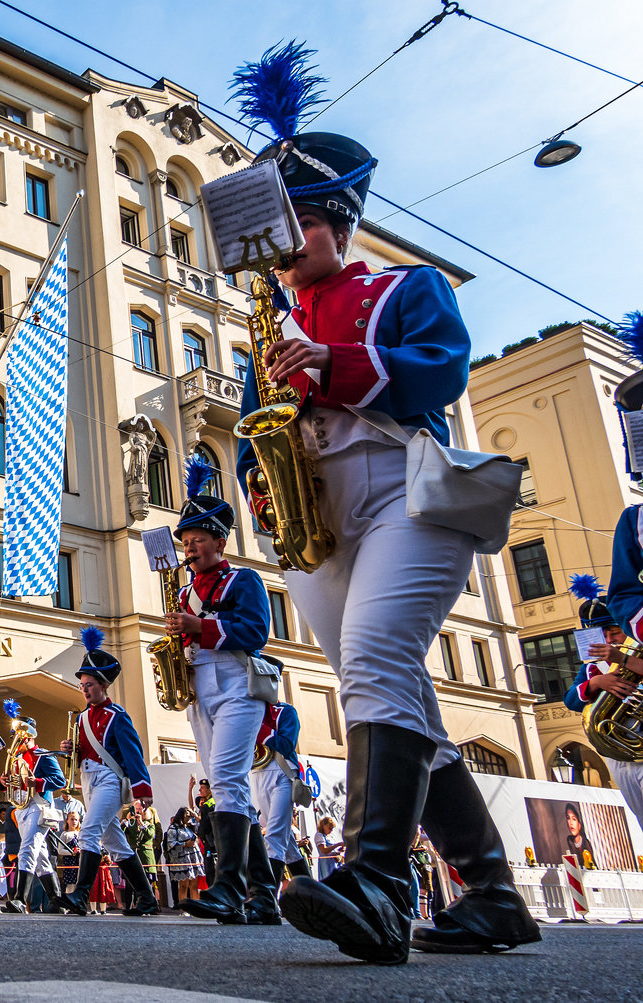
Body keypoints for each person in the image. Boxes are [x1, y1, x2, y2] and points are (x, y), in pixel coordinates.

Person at [228, 48, 538, 962]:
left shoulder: (408, 286)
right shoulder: (272, 322)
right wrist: (260, 478)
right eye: (277, 232)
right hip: (320, 517)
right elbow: (255, 427)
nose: (287, 247)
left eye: (301, 226)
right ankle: (493, 895)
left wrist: (336, 363)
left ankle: (377, 884)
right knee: (389, 687)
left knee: (373, 661)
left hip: (406, 491)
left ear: (340, 221)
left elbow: (441, 372)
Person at [165, 455, 271, 925]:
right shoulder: (184, 591)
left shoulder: (242, 579)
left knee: (227, 782)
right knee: (228, 790)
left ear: (219, 542)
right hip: (200, 686)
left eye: (198, 540)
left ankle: (228, 888)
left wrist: (199, 627)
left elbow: (255, 631)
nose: (189, 549)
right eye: (186, 542)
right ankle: (263, 895)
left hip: (236, 683)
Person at [60, 628, 158, 917]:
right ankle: (147, 898)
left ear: (103, 685)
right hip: (89, 780)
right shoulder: (82, 719)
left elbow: (132, 753)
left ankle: (80, 895)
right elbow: (83, 752)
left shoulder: (117, 716)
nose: (85, 689)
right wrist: (70, 748)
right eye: (82, 685)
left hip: (109, 779)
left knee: (89, 832)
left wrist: (142, 789)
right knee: (115, 843)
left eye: (90, 684)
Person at [565, 574, 643, 826]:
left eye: (615, 632)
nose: (609, 641)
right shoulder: (592, 667)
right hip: (618, 753)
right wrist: (597, 683)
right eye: (603, 635)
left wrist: (622, 660)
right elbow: (571, 700)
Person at [0, 705, 69, 915]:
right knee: (40, 858)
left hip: (39, 806)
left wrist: (37, 782)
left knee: (27, 850)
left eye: (19, 737)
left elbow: (60, 780)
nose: (15, 741)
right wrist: (4, 781)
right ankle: (56, 900)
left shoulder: (43, 755)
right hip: (22, 807)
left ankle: (20, 900)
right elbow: (14, 783)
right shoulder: (16, 759)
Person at [251, 688, 313, 914]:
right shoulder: (248, 709)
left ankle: (266, 900)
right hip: (257, 774)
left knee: (275, 835)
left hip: (282, 774)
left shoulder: (286, 711)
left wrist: (259, 729)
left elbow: (287, 744)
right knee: (288, 847)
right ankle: (312, 897)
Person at [164, 808, 204, 904]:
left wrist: (195, 815)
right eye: (187, 814)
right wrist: (185, 844)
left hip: (193, 858)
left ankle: (196, 908)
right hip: (182, 859)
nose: (189, 817)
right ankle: (183, 908)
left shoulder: (190, 826)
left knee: (194, 885)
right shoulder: (174, 828)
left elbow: (202, 826)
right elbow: (170, 844)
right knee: (183, 885)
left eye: (190, 815)